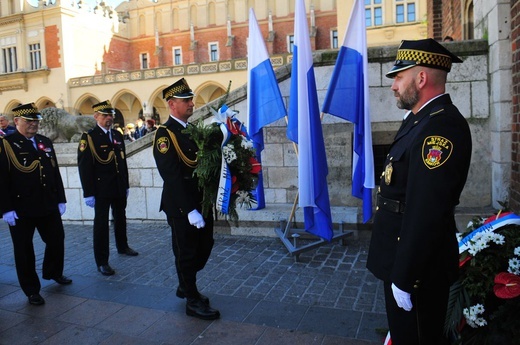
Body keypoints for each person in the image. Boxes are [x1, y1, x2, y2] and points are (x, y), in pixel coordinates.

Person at [366, 39, 472, 345]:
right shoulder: (419, 120)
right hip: (401, 257)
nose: (393, 86)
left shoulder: (440, 128)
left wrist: (405, 277)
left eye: (399, 77)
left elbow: (426, 209)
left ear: (421, 78)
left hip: (417, 270)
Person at [153, 78, 220, 320]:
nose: (192, 103)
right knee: (187, 252)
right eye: (186, 100)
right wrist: (190, 209)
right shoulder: (165, 135)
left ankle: (185, 284)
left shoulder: (192, 130)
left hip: (202, 202)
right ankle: (191, 299)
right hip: (182, 207)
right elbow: (171, 176)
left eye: (191, 99)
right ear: (172, 105)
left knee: (205, 246)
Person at [0, 103, 72, 306]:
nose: (33, 124)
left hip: (47, 203)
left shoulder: (44, 141)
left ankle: (53, 272)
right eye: (28, 121)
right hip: (21, 208)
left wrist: (61, 198)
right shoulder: (7, 144)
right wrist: (5, 208)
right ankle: (31, 290)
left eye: (36, 121)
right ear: (17, 121)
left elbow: (54, 172)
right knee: (24, 250)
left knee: (57, 240)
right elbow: (2, 178)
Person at [77, 100, 138, 277]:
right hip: (100, 188)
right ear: (96, 117)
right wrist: (88, 193)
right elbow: (84, 166)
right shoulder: (89, 137)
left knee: (120, 217)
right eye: (105, 115)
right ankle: (102, 261)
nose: (109, 118)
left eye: (110, 115)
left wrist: (125, 184)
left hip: (118, 185)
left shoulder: (118, 135)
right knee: (101, 224)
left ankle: (123, 245)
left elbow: (122, 161)